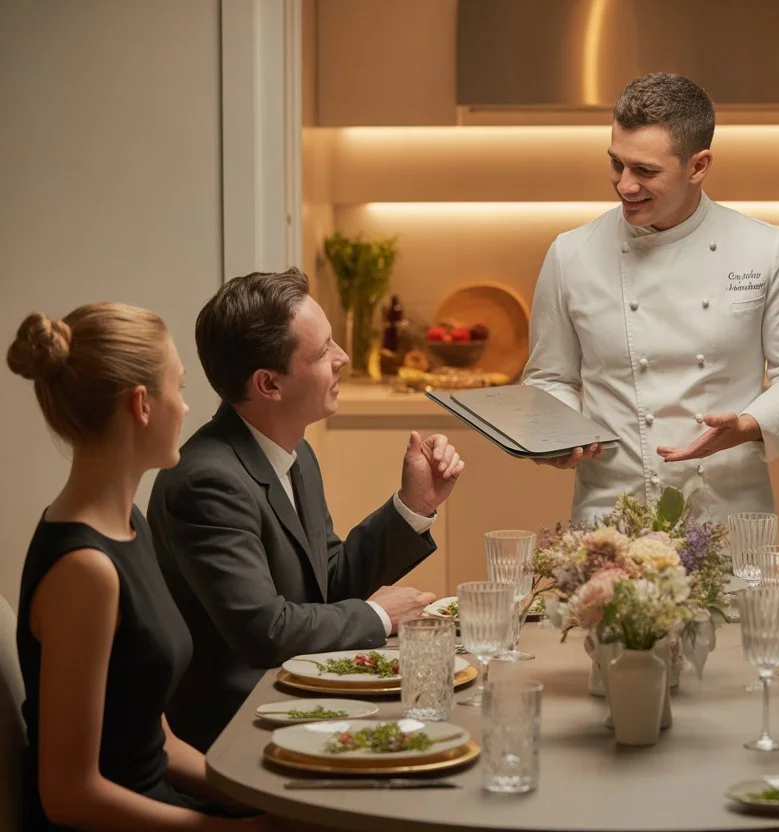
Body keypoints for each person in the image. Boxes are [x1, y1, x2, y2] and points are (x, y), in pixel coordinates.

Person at [148, 269, 464, 752]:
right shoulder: (206, 481)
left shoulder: (294, 453)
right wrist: (379, 615)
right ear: (269, 383)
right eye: (322, 353)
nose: (343, 358)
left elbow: (327, 582)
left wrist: (414, 505)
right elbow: (265, 631)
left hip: (296, 695)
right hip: (236, 732)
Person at [522, 72, 779, 523]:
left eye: (646, 171)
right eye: (616, 164)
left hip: (728, 515)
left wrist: (749, 424)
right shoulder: (570, 255)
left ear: (699, 166)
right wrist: (560, 435)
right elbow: (551, 377)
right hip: (610, 516)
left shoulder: (765, 248)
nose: (625, 185)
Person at [8, 305, 266, 830]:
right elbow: (70, 796)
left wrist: (254, 796)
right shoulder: (85, 570)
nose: (187, 406)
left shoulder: (129, 523)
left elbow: (154, 741)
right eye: (180, 387)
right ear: (142, 404)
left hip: (158, 802)